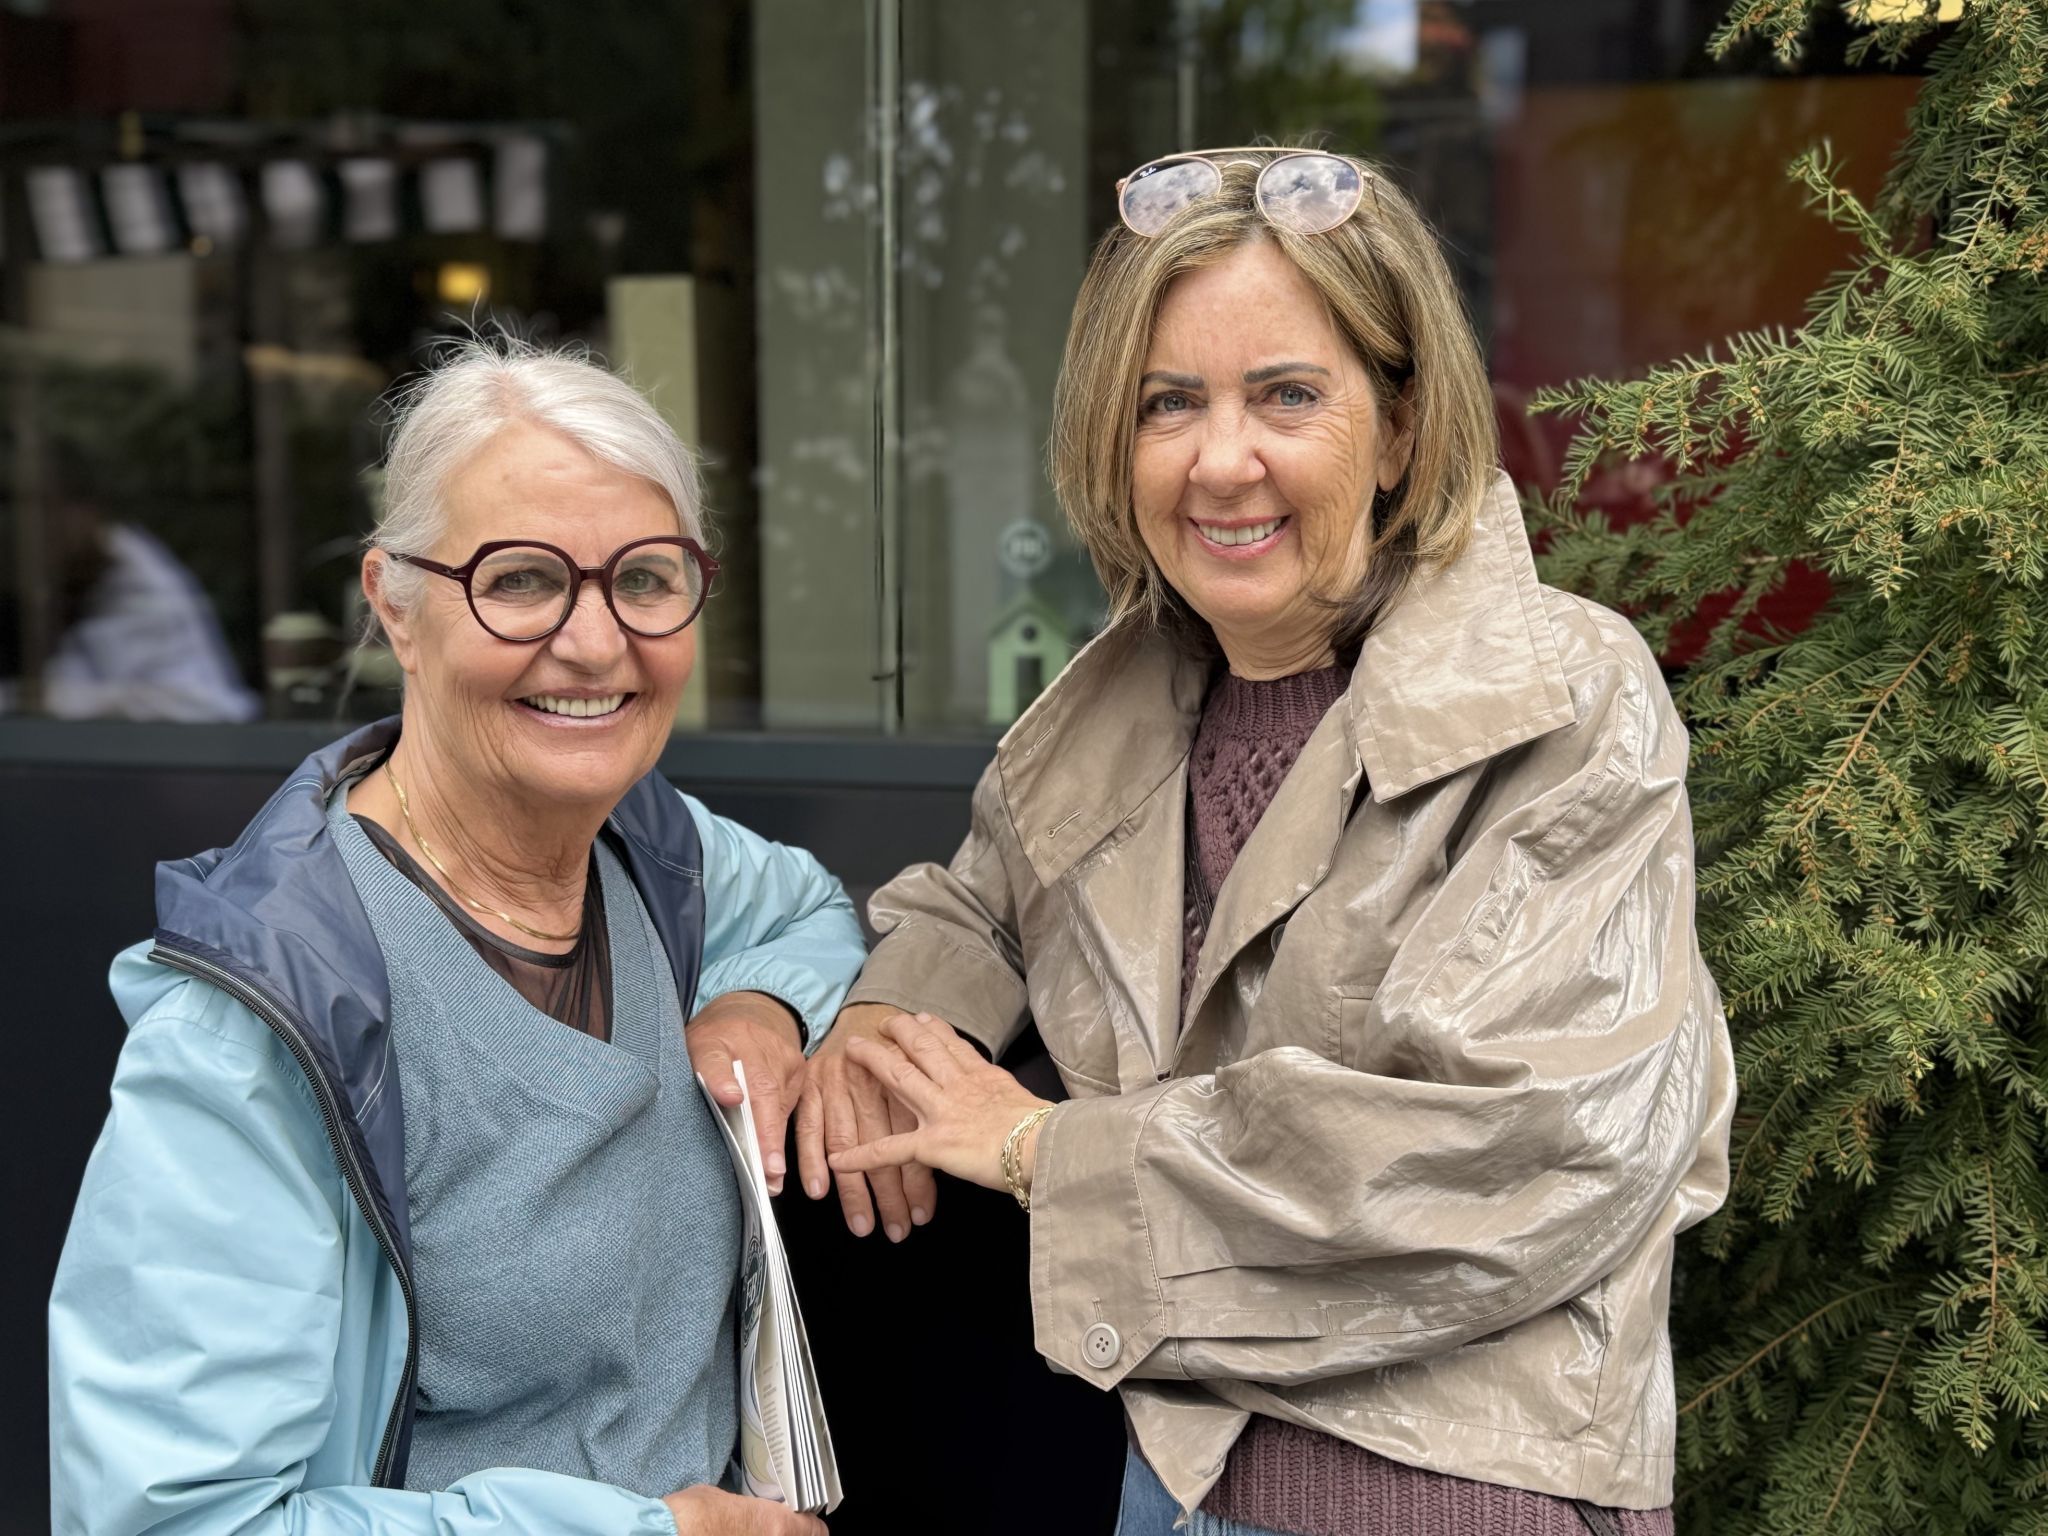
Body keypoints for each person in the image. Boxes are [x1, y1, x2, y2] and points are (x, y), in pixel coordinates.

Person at [805, 149, 1735, 1536]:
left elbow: (1521, 1152)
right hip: (1161, 1478)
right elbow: (987, 903)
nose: (1219, 459)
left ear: (1404, 427)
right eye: (1169, 403)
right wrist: (882, 1029)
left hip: (1449, 1496)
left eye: (1286, 395)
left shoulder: (1560, 701)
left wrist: (1042, 1154)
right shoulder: (1124, 702)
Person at [49, 340, 856, 1536]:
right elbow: (165, 1522)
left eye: (644, 577)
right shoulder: (261, 1024)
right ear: (395, 604)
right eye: (522, 580)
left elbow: (806, 910)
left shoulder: (651, 854)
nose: (593, 644)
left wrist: (762, 1008)